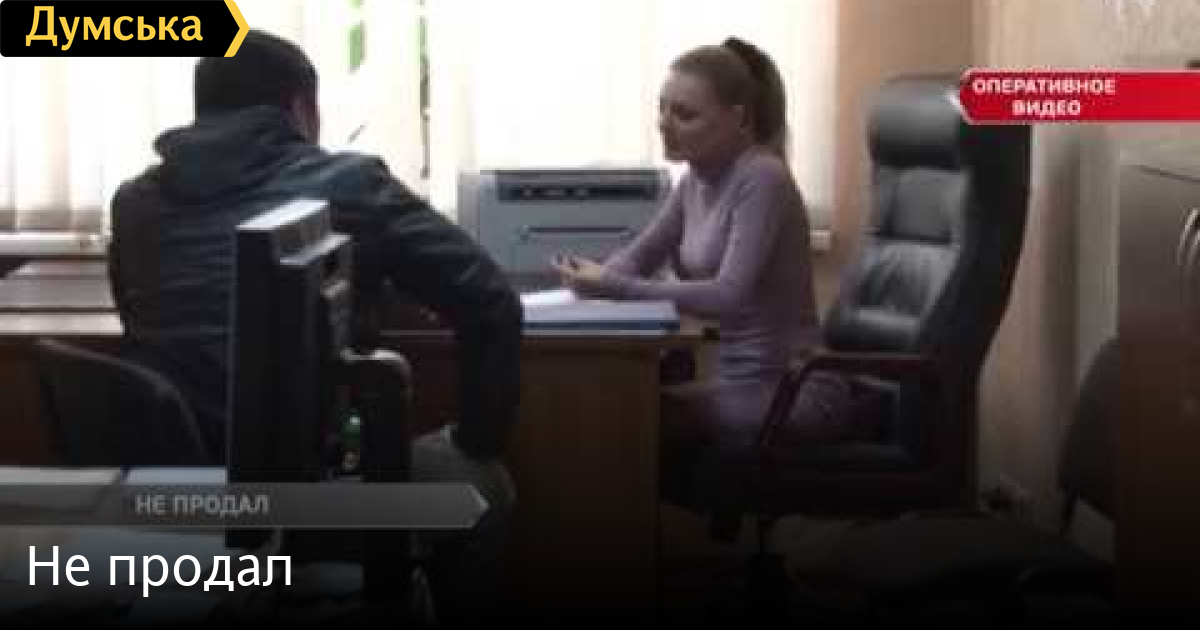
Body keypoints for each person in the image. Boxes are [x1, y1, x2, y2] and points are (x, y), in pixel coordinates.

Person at [108, 29, 519, 624]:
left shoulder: (132, 203)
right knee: (483, 487)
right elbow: (491, 301)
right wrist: (477, 438)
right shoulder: (347, 184)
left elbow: (138, 323)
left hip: (172, 498)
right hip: (299, 498)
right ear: (301, 109)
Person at [555, 39, 875, 510]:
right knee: (614, 405)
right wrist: (593, 278)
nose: (664, 123)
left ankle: (609, 552)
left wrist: (616, 287)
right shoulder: (692, 182)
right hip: (740, 385)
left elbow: (729, 295)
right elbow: (636, 258)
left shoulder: (762, 178)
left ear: (739, 119)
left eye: (684, 114)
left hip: (793, 389)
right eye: (662, 108)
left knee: (623, 418)